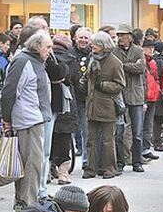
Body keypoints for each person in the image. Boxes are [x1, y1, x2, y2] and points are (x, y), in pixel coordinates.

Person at [0, 30, 53, 212]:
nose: (50, 50)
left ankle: (25, 202)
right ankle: (28, 204)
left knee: (30, 164)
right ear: (37, 46)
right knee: (32, 164)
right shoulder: (23, 61)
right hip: (28, 120)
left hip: (34, 118)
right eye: (48, 47)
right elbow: (8, 92)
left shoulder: (36, 61)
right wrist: (6, 119)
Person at [81, 31, 125, 180]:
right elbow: (87, 78)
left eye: (96, 44)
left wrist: (103, 85)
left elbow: (120, 85)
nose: (92, 46)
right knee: (91, 140)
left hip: (107, 107)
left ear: (104, 46)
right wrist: (84, 82)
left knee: (108, 141)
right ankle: (90, 169)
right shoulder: (92, 59)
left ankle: (109, 169)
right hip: (92, 105)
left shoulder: (115, 62)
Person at [113, 24, 146, 173]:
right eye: (118, 35)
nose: (120, 38)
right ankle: (120, 162)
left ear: (130, 37)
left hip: (136, 95)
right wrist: (132, 65)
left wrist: (124, 66)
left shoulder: (138, 50)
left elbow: (141, 68)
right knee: (119, 131)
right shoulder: (114, 51)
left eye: (123, 35)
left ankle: (137, 162)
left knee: (137, 132)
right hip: (120, 95)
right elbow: (115, 68)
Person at [49, 35, 79, 185]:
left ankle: (48, 168)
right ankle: (63, 173)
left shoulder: (47, 59)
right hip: (67, 104)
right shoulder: (71, 60)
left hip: (50, 101)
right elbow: (77, 81)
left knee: (49, 138)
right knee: (65, 139)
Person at [70, 27, 92, 170]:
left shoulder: (93, 56)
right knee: (69, 131)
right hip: (71, 98)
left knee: (86, 131)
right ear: (75, 39)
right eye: (81, 37)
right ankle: (67, 162)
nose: (83, 40)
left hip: (85, 99)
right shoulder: (69, 54)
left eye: (86, 38)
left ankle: (86, 160)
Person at [141, 39, 163, 160]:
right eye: (148, 47)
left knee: (148, 125)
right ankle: (139, 150)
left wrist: (158, 89)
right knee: (141, 125)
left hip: (153, 96)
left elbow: (156, 78)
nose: (151, 50)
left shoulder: (153, 62)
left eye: (152, 48)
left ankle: (146, 148)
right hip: (144, 96)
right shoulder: (141, 60)